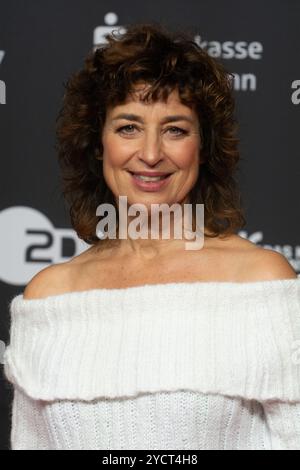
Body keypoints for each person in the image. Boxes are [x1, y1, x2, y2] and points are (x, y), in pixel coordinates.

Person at [4, 22, 300, 450]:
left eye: (175, 130)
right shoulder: (49, 297)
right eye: (128, 127)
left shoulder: (259, 283)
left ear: (203, 147)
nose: (150, 154)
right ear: (99, 143)